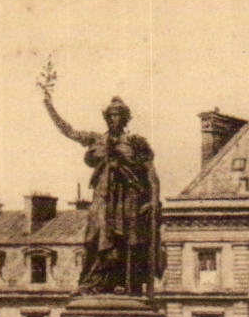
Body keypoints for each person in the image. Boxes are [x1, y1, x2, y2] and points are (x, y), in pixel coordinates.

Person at [39, 69, 163, 296]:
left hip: (129, 196)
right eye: (111, 115)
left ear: (125, 118)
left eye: (118, 115)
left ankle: (125, 284)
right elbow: (70, 131)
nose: (114, 119)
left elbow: (151, 174)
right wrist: (49, 107)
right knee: (96, 237)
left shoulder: (136, 143)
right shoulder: (98, 139)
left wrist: (154, 200)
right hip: (104, 197)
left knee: (127, 240)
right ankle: (93, 283)